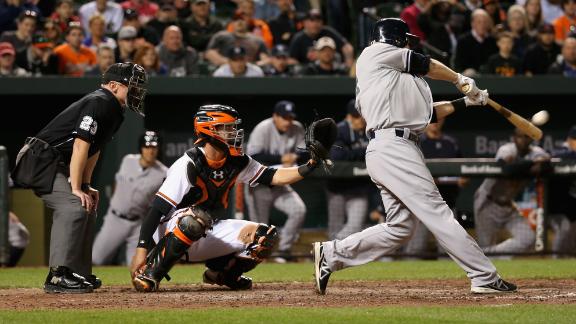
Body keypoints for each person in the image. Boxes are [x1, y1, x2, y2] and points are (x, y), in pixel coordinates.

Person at [313, 18, 518, 296]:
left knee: (401, 227)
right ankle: (484, 275)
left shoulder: (391, 77)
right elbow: (427, 64)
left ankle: (332, 254)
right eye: (405, 38)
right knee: (437, 212)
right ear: (394, 37)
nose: (409, 42)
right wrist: (460, 79)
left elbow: (427, 114)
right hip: (393, 146)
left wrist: (465, 102)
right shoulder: (376, 52)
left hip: (393, 146)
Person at [129, 104, 322, 292]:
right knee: (196, 219)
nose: (234, 132)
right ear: (209, 129)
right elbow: (157, 209)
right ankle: (151, 272)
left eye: (233, 127)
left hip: (207, 227)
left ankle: (224, 275)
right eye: (227, 128)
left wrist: (310, 165)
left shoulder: (237, 160)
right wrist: (142, 249)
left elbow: (273, 175)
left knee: (265, 236)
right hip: (170, 232)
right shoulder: (189, 163)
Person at [11, 62, 148, 293]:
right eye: (132, 86)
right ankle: (58, 275)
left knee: (86, 205)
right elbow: (80, 146)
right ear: (113, 86)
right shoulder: (99, 101)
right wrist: (75, 187)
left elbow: (94, 150)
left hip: (57, 162)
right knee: (73, 206)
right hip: (40, 159)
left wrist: (85, 185)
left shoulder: (115, 108)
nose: (137, 91)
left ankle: (77, 273)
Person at [244, 100, 307, 263]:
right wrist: (281, 158)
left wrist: (296, 157)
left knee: (298, 210)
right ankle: (255, 258)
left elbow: (305, 153)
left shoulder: (297, 128)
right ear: (275, 117)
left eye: (290, 117)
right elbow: (253, 157)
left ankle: (284, 250)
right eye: (284, 117)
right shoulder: (263, 128)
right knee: (260, 226)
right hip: (259, 186)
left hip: (280, 184)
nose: (288, 121)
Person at [92, 131, 168, 266]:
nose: (150, 151)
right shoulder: (128, 160)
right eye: (147, 147)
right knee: (96, 258)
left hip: (138, 224)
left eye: (153, 147)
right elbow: (117, 183)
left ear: (158, 149)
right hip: (115, 219)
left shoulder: (163, 173)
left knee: (136, 265)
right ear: (141, 148)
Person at [473, 128, 551, 255]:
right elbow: (507, 169)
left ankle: (488, 253)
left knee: (528, 238)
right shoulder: (507, 149)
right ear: (514, 138)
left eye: (526, 137)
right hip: (487, 203)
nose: (523, 140)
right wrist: (531, 164)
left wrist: (523, 165)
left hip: (509, 206)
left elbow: (547, 165)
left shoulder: (536, 152)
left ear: (531, 138)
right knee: (486, 243)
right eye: (520, 136)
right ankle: (488, 254)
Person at [403, 116, 466, 259]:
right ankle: (405, 281)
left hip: (448, 201)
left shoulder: (451, 143)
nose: (434, 124)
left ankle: (450, 281)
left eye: (438, 120)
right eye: (431, 121)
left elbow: (464, 169)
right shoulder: (417, 142)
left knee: (449, 249)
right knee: (415, 248)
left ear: (443, 121)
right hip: (422, 203)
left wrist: (463, 179)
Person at [325, 99, 370, 240]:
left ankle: (330, 250)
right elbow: (337, 156)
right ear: (349, 116)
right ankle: (332, 257)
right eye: (356, 116)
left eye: (362, 116)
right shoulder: (338, 130)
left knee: (355, 226)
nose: (360, 120)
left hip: (358, 188)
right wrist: (364, 151)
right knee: (335, 227)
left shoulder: (371, 130)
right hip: (337, 187)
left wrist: (353, 153)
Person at [548, 125, 576, 256]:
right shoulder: (560, 152)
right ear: (570, 140)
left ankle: (564, 261)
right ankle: (555, 259)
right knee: (563, 229)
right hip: (553, 206)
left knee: (570, 237)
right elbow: (555, 156)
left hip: (569, 206)